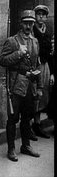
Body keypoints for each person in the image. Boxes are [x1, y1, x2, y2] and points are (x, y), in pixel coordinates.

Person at [0, 10, 43, 162]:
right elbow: (2, 60)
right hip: (16, 84)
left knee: (27, 117)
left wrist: (39, 87)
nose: (28, 26)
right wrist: (18, 53)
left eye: (31, 23)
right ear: (20, 23)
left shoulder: (35, 41)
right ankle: (11, 149)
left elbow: (37, 64)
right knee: (12, 119)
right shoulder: (12, 41)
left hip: (30, 85)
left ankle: (26, 145)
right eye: (26, 23)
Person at [31, 5, 54, 138]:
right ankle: (30, 126)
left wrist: (52, 73)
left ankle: (37, 124)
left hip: (46, 66)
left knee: (43, 94)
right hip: (35, 67)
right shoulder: (32, 29)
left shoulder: (48, 31)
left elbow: (51, 54)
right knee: (34, 95)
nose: (41, 17)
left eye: (43, 14)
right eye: (38, 14)